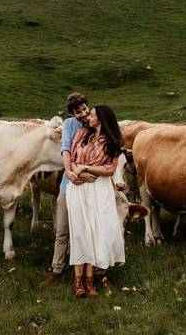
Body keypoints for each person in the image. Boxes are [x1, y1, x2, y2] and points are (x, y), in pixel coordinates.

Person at [65, 104, 125, 298]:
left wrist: (86, 168)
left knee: (94, 232)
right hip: (78, 188)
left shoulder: (112, 141)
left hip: (99, 191)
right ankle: (78, 281)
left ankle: (90, 282)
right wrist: (78, 172)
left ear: (101, 118)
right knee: (79, 232)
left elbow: (109, 169)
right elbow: (72, 158)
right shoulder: (82, 134)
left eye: (91, 114)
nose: (87, 117)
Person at [39, 92, 95, 287]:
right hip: (68, 184)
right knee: (62, 230)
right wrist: (70, 173)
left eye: (85, 109)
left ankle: (87, 273)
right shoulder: (70, 125)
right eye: (78, 111)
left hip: (89, 185)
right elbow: (66, 150)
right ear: (72, 113)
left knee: (87, 230)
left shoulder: (96, 124)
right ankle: (57, 269)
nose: (83, 113)